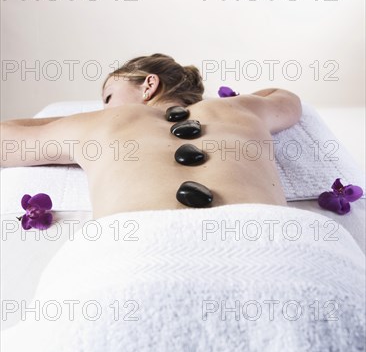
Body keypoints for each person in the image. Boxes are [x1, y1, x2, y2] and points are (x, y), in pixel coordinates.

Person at [0, 53, 302, 219]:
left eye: (107, 97)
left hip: (135, 254)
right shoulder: (242, 109)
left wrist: (83, 119)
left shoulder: (97, 125)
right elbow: (286, 98)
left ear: (149, 85)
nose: (102, 108)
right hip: (268, 240)